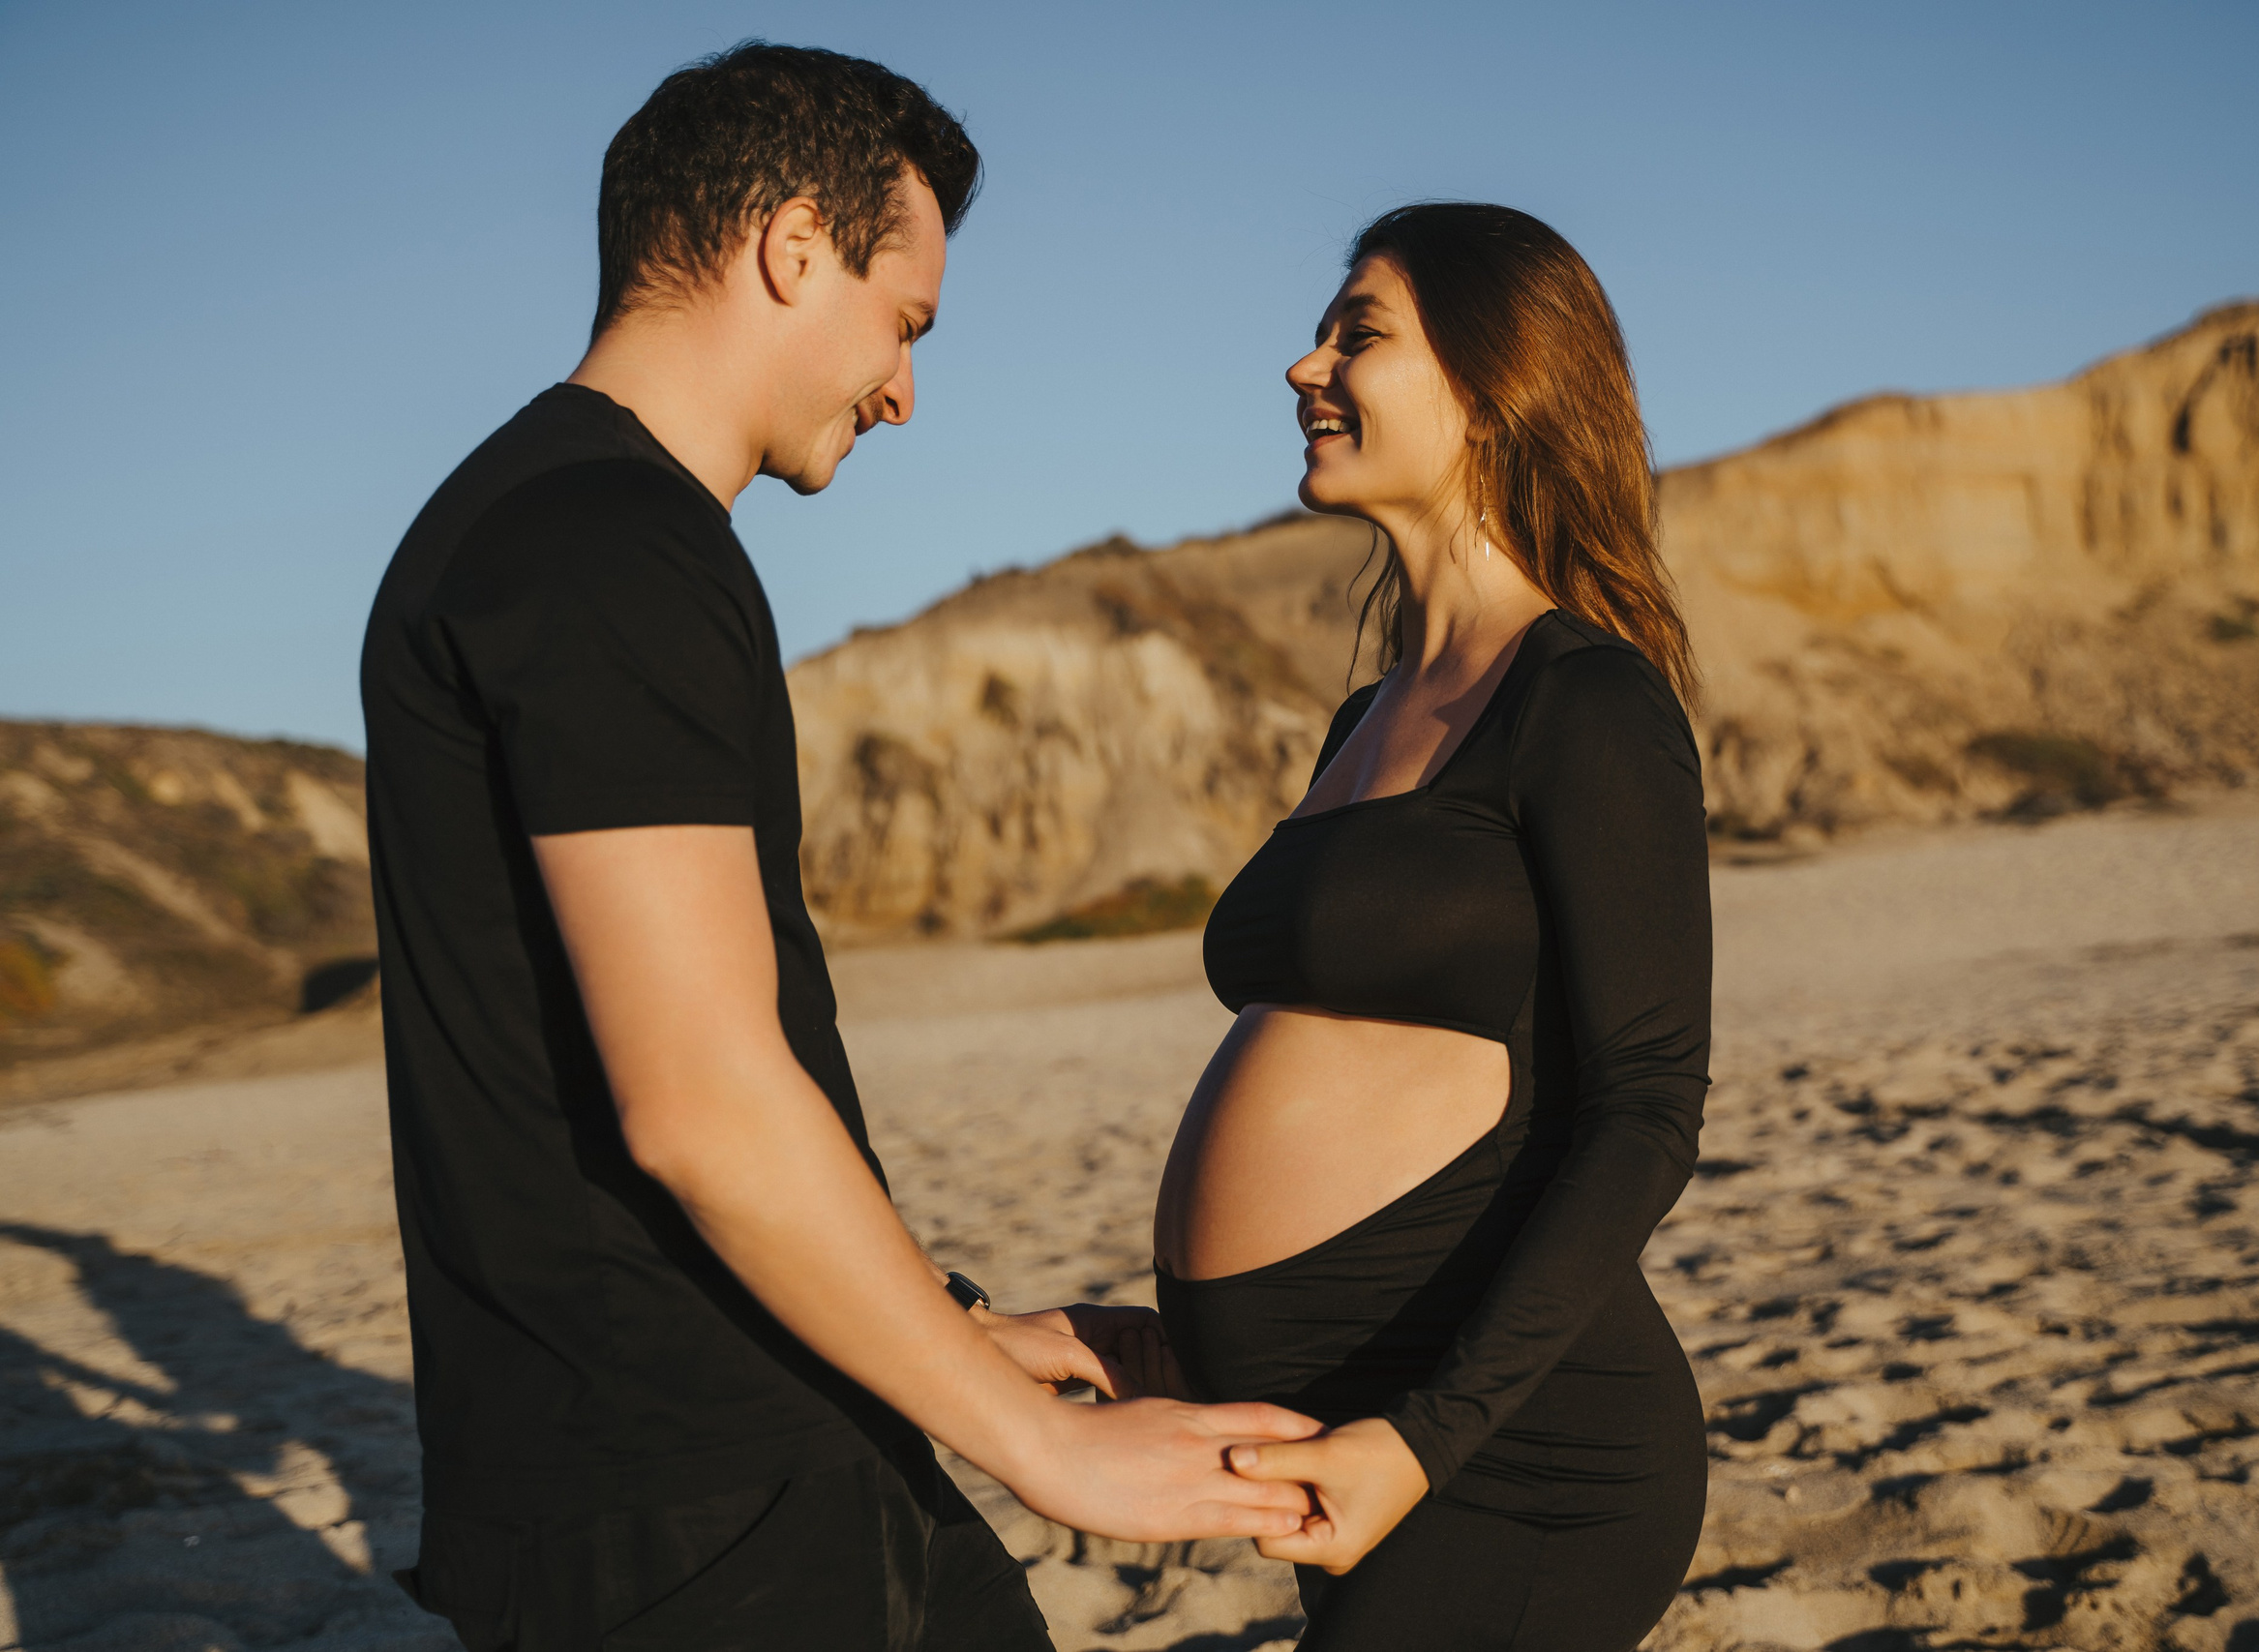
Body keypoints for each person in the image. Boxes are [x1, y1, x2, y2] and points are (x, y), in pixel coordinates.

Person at [361, 43, 1317, 1652]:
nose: (902, 392)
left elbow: (606, 1051)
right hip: (693, 1500)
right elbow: (704, 1105)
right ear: (795, 247)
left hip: (738, 1435)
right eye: (906, 323)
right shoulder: (612, 547)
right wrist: (1048, 1452)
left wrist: (957, 1329)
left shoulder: (531, 521)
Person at [1151, 202, 1713, 1651]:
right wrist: (1141, 1339)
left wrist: (1424, 1439)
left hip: (1514, 1462)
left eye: (1358, 334)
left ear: (1493, 387)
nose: (1305, 366)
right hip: (1349, 1425)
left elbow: (1646, 1108)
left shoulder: (1584, 699)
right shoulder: (1369, 717)